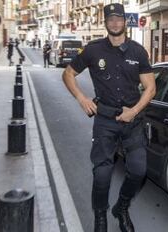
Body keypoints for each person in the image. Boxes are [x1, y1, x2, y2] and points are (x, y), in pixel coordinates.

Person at [62, 3, 155, 232]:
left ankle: (121, 208)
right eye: (110, 19)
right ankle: (100, 217)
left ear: (125, 22)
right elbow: (68, 74)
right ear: (105, 22)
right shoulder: (93, 50)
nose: (115, 23)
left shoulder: (138, 51)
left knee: (138, 170)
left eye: (119, 19)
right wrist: (82, 99)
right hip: (104, 120)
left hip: (132, 120)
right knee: (102, 173)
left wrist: (133, 112)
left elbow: (151, 88)